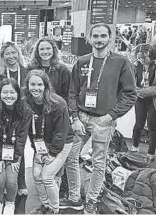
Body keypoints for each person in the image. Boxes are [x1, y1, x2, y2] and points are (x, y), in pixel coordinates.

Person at [68, 23, 136, 214]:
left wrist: (111, 116)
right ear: (89, 38)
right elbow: (72, 92)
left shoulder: (120, 62)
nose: (99, 40)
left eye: (103, 36)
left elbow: (131, 94)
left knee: (99, 162)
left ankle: (92, 200)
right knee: (71, 158)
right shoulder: (81, 61)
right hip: (81, 117)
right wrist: (74, 117)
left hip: (103, 121)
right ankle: (74, 196)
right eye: (95, 36)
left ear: (110, 38)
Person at [25, 70, 74, 215]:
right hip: (42, 144)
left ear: (46, 86)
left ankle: (54, 209)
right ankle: (45, 205)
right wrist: (37, 150)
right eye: (32, 84)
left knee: (46, 177)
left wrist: (52, 154)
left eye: (39, 84)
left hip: (62, 143)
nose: (36, 88)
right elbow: (31, 130)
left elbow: (61, 132)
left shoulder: (58, 103)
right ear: (27, 85)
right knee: (36, 175)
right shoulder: (26, 103)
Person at [0, 78, 32, 215]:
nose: (8, 96)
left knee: (12, 182)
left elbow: (21, 137)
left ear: (18, 94)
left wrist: (15, 159)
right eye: (5, 92)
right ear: (0, 93)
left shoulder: (26, 110)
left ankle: (10, 202)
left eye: (12, 92)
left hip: (15, 151)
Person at [0, 41, 29, 196]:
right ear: (2, 56)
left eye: (13, 53)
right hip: (5, 116)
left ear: (18, 54)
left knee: (19, 147)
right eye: (7, 53)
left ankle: (21, 182)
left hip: (22, 115)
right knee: (3, 145)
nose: (11, 56)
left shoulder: (26, 71)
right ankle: (0, 180)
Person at [131, 45, 156, 162]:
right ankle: (134, 146)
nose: (141, 60)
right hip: (140, 99)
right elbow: (131, 81)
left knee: (152, 127)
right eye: (139, 58)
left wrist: (140, 91)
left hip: (152, 100)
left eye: (143, 58)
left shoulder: (154, 67)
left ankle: (151, 152)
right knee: (138, 124)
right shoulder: (137, 66)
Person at [28, 37, 71, 104]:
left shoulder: (62, 69)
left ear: (53, 50)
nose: (45, 52)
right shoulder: (30, 69)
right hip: (34, 108)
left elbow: (67, 94)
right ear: (37, 51)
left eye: (48, 48)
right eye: (42, 49)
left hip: (56, 108)